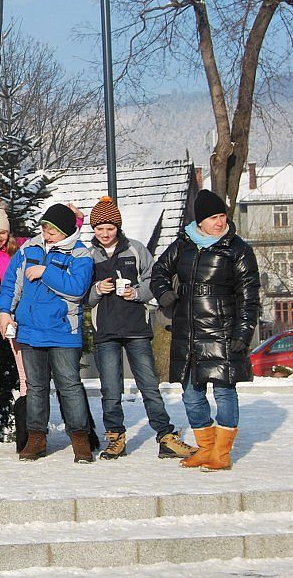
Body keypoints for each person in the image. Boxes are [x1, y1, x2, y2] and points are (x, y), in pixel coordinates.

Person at [151, 189, 261, 472]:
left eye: (222, 216)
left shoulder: (238, 249)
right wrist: (164, 293)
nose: (220, 222)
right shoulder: (183, 244)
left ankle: (221, 453)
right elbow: (159, 271)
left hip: (222, 331)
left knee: (224, 392)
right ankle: (206, 448)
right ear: (200, 221)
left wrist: (243, 333)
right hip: (187, 332)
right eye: (213, 217)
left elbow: (249, 296)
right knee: (190, 394)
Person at [86, 197, 195, 461]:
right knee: (110, 390)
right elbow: (82, 295)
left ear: (118, 227)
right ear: (93, 229)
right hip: (105, 331)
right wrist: (97, 290)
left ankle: (165, 436)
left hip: (137, 328)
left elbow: (154, 279)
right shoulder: (88, 256)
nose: (105, 233)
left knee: (149, 386)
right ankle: (115, 437)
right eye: (99, 228)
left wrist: (136, 292)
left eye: (110, 228)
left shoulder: (136, 249)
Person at [0, 203, 96, 463]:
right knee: (35, 387)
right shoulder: (29, 249)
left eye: (52, 231)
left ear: (66, 232)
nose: (46, 234)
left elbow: (77, 288)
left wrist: (45, 272)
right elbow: (11, 283)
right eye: (44, 228)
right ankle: (36, 437)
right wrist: (4, 311)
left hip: (63, 330)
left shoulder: (80, 254)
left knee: (69, 385)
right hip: (29, 330)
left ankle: (80, 438)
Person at [0, 208, 29, 451]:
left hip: (14, 316)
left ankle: (24, 422)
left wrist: (77, 220)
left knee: (22, 370)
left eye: (2, 233)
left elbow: (50, 237)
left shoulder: (19, 248)